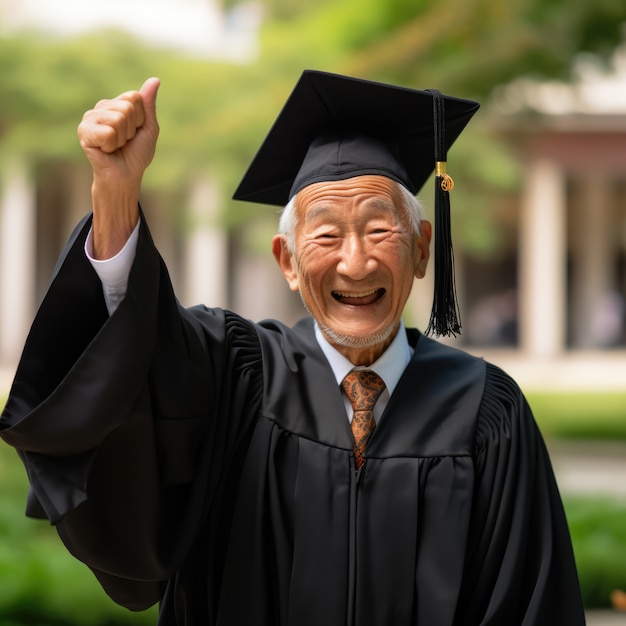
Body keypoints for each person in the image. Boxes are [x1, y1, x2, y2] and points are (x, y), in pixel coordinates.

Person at [0, 70, 584, 625]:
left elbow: (529, 603)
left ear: (423, 248)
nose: (356, 262)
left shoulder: (487, 411)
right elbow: (134, 358)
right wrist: (116, 193)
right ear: (288, 262)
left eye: (381, 229)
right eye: (326, 234)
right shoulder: (236, 373)